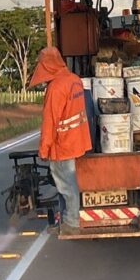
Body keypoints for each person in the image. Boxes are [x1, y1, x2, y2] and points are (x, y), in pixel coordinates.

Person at [31, 46, 91, 233]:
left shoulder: (55, 88)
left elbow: (50, 122)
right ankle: (67, 220)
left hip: (62, 144)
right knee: (69, 181)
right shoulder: (74, 80)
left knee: (65, 184)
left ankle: (71, 222)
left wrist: (43, 150)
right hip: (77, 140)